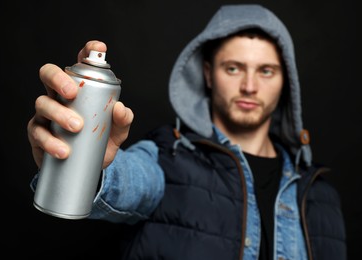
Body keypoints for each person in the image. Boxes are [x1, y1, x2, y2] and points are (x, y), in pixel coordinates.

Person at [27, 4, 347, 260]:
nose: (250, 87)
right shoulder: (167, 158)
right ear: (208, 74)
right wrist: (85, 159)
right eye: (233, 68)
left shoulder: (323, 197)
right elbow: (129, 180)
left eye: (266, 71)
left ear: (285, 80)